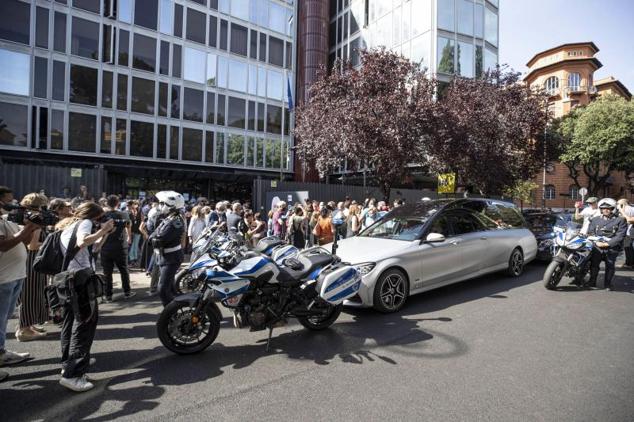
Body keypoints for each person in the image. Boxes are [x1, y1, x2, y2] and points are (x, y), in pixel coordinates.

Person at [57, 201, 114, 392]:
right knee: (85, 324)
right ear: (94, 216)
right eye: (99, 219)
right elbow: (83, 242)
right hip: (81, 280)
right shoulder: (85, 223)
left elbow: (89, 248)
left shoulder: (68, 224)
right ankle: (73, 374)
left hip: (67, 278)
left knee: (69, 322)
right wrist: (102, 230)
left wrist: (103, 234)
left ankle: (68, 363)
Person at [0, 186, 39, 381]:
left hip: (15, 275)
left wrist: (29, 228)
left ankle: (2, 353)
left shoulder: (9, 220)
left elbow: (23, 242)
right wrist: (30, 228)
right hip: (3, 278)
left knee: (4, 318)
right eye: (8, 199)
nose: (12, 203)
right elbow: (4, 245)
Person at [15, 193, 50, 342]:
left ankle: (27, 326)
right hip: (32, 260)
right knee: (30, 294)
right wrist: (49, 244)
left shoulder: (23, 216)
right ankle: (24, 330)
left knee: (31, 293)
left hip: (26, 259)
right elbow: (33, 245)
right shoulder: (34, 219)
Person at [149, 191, 186, 306]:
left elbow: (159, 240)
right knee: (170, 288)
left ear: (171, 206)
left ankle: (171, 312)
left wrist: (154, 238)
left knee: (163, 289)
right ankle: (176, 311)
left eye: (162, 203)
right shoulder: (169, 219)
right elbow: (153, 236)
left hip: (171, 258)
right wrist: (154, 238)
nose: (160, 205)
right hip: (164, 257)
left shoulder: (176, 221)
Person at [586, 198, 627, 290]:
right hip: (597, 246)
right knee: (594, 264)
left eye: (608, 208)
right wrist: (596, 242)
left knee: (610, 265)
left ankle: (607, 284)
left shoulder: (620, 220)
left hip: (611, 247)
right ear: (600, 209)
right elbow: (590, 232)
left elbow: (620, 235)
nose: (606, 210)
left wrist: (607, 244)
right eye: (603, 208)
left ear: (613, 209)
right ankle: (592, 281)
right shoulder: (595, 219)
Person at [100, 195, 135, 302]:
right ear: (118, 203)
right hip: (120, 246)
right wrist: (129, 237)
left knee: (107, 272)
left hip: (106, 246)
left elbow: (99, 228)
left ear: (107, 203)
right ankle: (127, 292)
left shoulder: (103, 215)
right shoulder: (123, 214)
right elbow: (129, 226)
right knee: (124, 270)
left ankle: (108, 295)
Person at [616, 199, 634, 269]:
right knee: (628, 248)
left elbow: (628, 220)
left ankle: (629, 264)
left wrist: (621, 210)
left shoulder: (628, 209)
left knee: (629, 248)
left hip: (630, 232)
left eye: (619, 204)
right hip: (629, 232)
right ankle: (629, 263)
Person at [128, 201, 143, 267]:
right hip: (131, 232)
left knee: (135, 246)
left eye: (137, 204)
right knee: (132, 246)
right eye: (134, 204)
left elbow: (143, 221)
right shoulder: (130, 213)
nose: (135, 205)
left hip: (138, 232)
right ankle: (132, 260)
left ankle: (134, 260)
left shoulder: (140, 212)